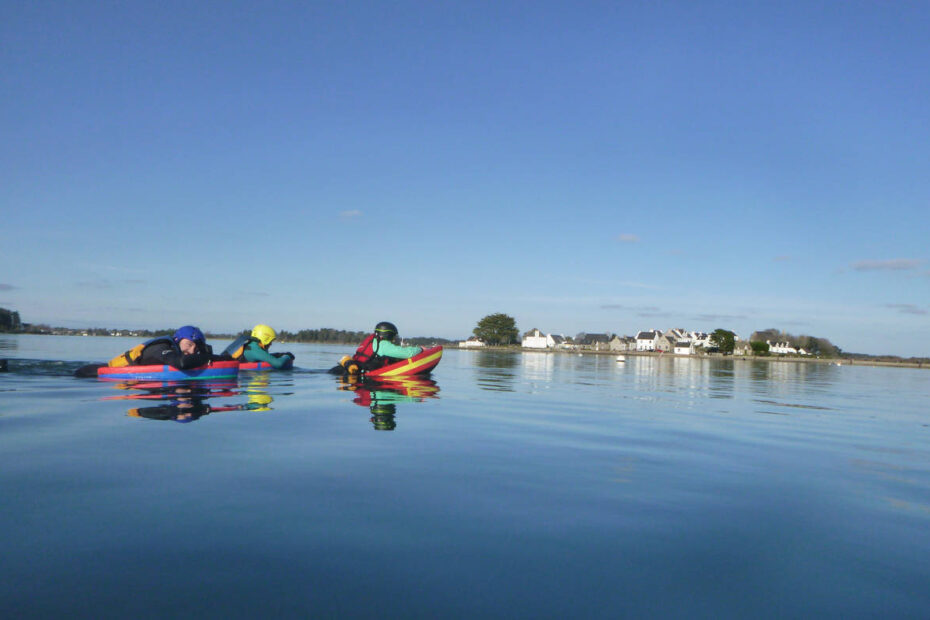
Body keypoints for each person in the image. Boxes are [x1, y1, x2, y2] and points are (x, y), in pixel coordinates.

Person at [74, 325, 213, 377]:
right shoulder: (162, 347)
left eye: (196, 347)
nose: (192, 350)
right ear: (177, 340)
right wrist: (210, 358)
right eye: (188, 344)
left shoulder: (177, 349)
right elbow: (181, 363)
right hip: (90, 373)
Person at [343, 321, 422, 373]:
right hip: (366, 379)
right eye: (394, 336)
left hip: (351, 372)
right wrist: (420, 349)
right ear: (388, 335)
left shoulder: (372, 341)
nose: (394, 339)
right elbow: (408, 353)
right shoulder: (383, 345)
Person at [221, 324, 294, 369]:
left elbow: (264, 356)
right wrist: (287, 356)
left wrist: (279, 354)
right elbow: (278, 364)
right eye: (270, 341)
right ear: (265, 338)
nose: (271, 344)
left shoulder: (252, 345)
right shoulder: (254, 349)